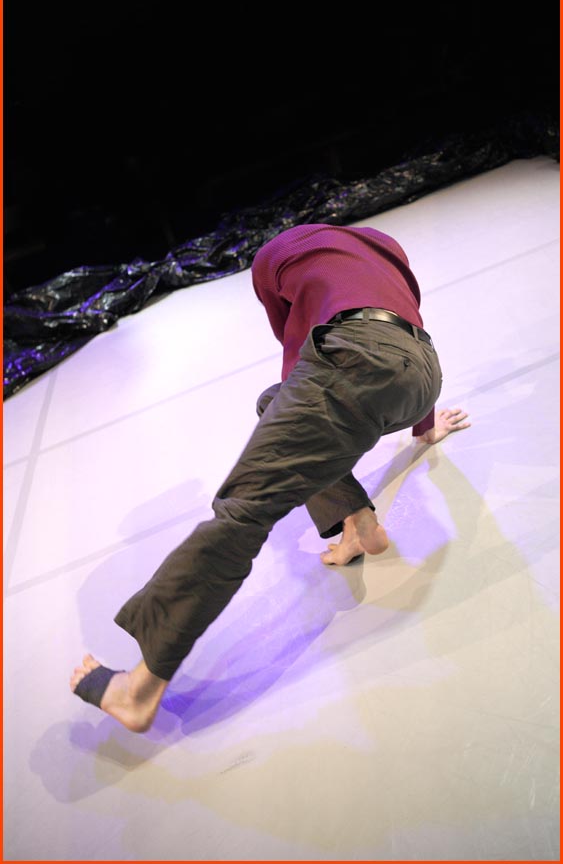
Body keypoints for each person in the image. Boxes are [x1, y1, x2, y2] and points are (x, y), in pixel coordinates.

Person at [71, 222, 470, 732]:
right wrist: (425, 426)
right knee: (273, 403)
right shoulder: (381, 244)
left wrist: (294, 425)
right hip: (423, 373)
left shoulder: (273, 255)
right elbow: (405, 328)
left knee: (242, 512)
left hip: (355, 361)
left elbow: (298, 350)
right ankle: (360, 523)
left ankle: (139, 689)